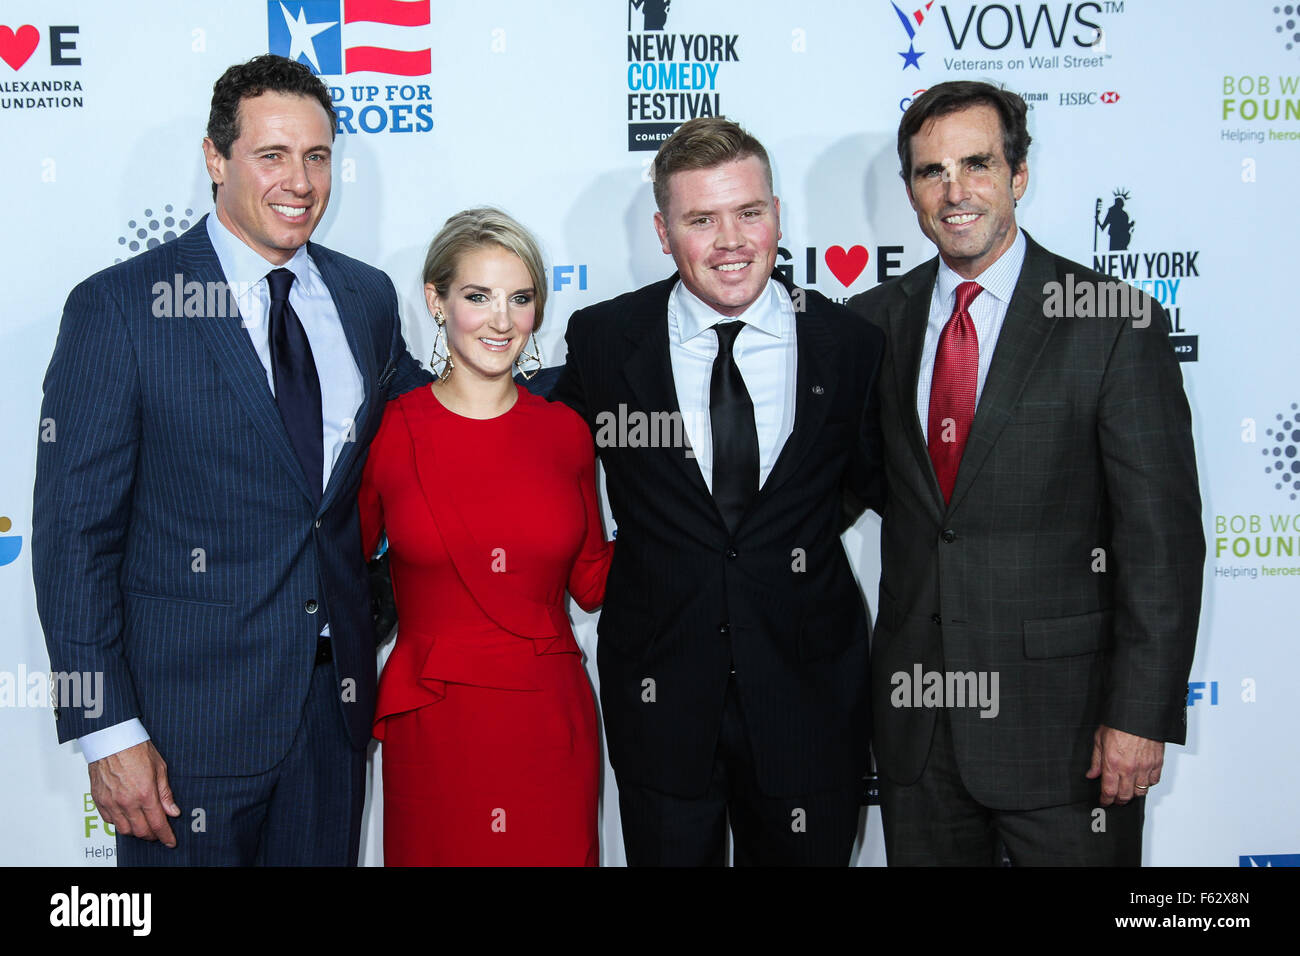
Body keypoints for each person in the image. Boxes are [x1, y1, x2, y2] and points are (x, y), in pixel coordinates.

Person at [32, 54, 430, 865]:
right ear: (216, 159)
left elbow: (441, 415)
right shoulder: (119, 307)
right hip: (183, 735)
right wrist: (109, 732)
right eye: (272, 154)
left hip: (331, 714)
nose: (301, 180)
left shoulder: (364, 297)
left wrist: (597, 376)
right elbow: (75, 538)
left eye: (318, 156)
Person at [847, 81, 1204, 865]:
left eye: (977, 164)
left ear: (1019, 175)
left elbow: (1161, 544)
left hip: (1068, 735)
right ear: (909, 188)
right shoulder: (873, 323)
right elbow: (852, 488)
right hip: (919, 737)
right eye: (930, 171)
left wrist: (1140, 717)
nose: (954, 191)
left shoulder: (1112, 322)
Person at [552, 117, 885, 866]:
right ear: (664, 233)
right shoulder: (606, 340)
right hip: (660, 701)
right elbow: (536, 456)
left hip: (811, 701)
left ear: (776, 214)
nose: (732, 240)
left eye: (750, 212)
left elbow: (876, 485)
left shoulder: (849, 343)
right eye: (702, 219)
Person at [359, 208, 612, 866]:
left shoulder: (565, 434)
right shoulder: (387, 432)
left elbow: (592, 582)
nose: (502, 321)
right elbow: (340, 570)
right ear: (436, 301)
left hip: (549, 727)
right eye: (479, 297)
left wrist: (689, 502)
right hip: (435, 724)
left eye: (520, 299)